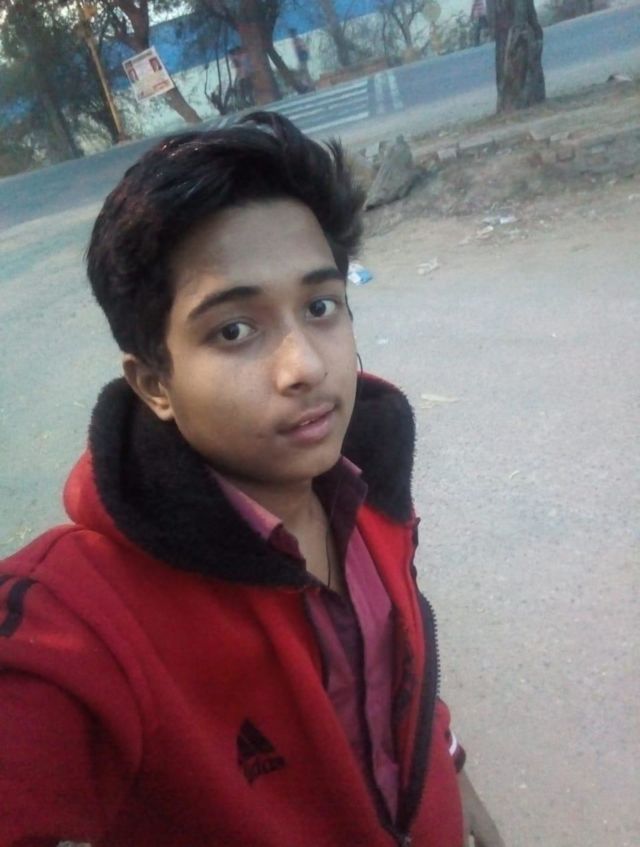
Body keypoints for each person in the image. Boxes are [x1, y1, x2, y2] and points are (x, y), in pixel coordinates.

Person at [0, 112, 504, 847]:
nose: (306, 366)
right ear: (154, 384)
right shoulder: (84, 617)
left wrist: (456, 786)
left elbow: (403, 670)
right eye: (234, 329)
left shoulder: (370, 488)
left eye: (321, 306)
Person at [289, 27, 314, 91]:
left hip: (302, 57)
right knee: (304, 72)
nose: (291, 36)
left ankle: (309, 86)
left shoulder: (297, 40)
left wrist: (303, 52)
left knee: (303, 72)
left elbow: (303, 48)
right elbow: (303, 48)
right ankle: (309, 85)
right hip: (301, 57)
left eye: (291, 34)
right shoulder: (296, 40)